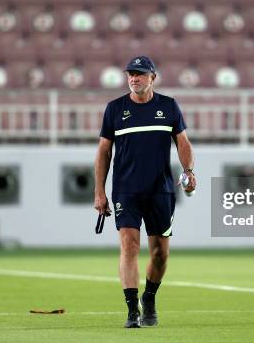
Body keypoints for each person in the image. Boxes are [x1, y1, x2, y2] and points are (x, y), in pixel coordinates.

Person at [94, 55, 197, 328]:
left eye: (139, 74)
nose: (134, 78)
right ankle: (131, 310)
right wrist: (99, 192)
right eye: (130, 74)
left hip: (160, 191)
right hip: (126, 191)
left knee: (160, 254)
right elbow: (104, 151)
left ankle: (149, 298)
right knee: (129, 246)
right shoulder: (115, 109)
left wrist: (188, 171)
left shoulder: (169, 106)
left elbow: (183, 142)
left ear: (153, 77)